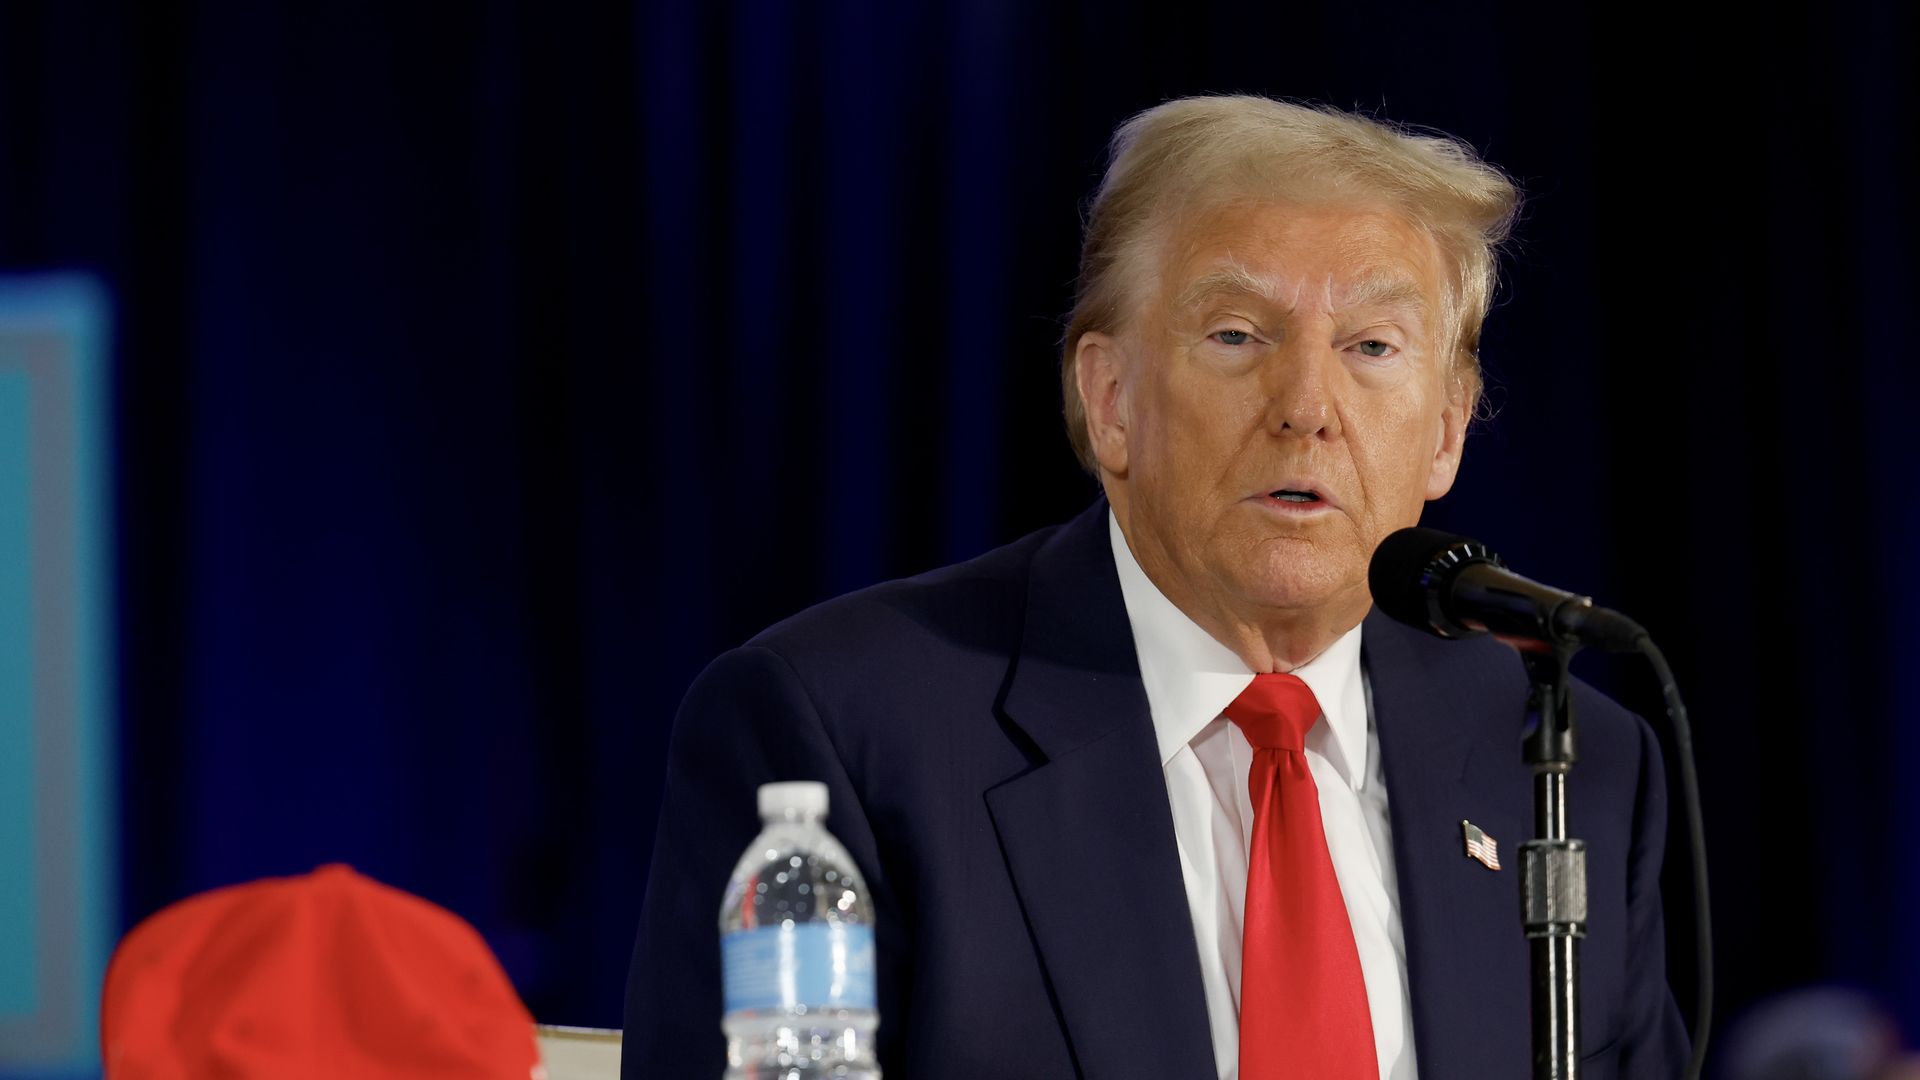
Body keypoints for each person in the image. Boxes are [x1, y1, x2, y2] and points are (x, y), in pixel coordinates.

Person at [623, 95, 1688, 1079]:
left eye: (1371, 345)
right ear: (1111, 399)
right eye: (1237, 336)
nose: (1307, 406)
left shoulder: (1561, 765)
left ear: (1448, 428)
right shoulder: (845, 731)